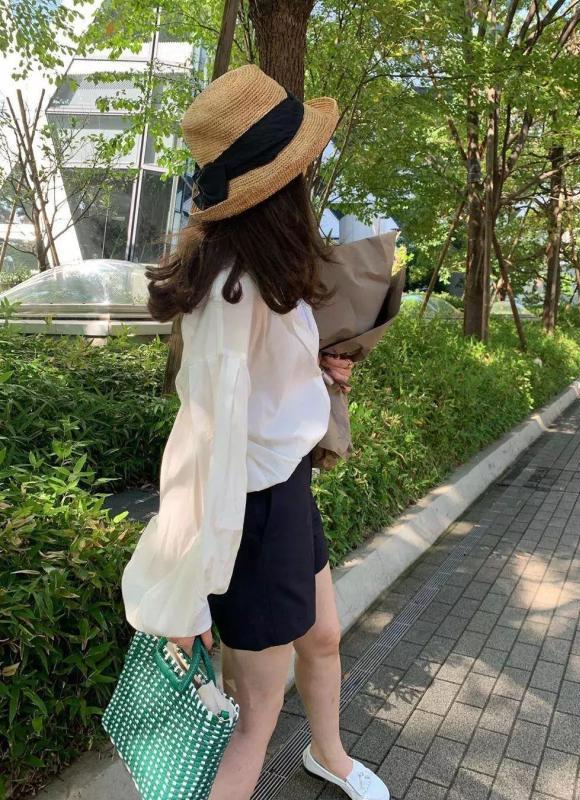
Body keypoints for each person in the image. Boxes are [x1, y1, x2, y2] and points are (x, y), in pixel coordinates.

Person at [121, 64, 390, 800]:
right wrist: (186, 595)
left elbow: (261, 392)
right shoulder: (233, 293)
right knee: (255, 713)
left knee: (323, 637)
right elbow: (203, 445)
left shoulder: (259, 270)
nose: (307, 179)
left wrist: (321, 371)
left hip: (284, 493)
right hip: (254, 515)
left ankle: (330, 756)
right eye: (299, 168)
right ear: (276, 189)